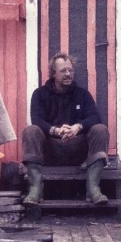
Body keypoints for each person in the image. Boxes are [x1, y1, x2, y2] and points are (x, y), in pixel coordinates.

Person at [21, 52, 110, 205]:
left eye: (70, 70)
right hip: (50, 151)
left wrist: (77, 127)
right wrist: (56, 130)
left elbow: (95, 117)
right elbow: (37, 120)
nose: (68, 74)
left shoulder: (82, 94)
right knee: (30, 130)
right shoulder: (39, 94)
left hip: (78, 151)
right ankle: (35, 189)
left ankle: (93, 188)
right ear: (53, 73)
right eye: (63, 71)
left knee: (100, 129)